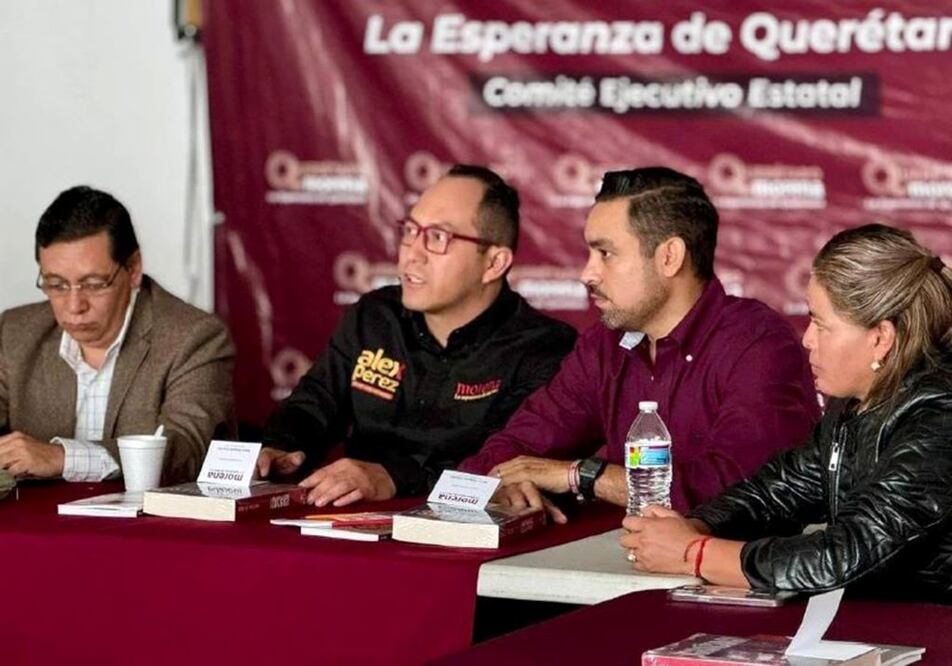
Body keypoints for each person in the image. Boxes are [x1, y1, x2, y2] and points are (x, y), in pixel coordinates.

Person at [459, 167, 819, 522]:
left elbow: (740, 489)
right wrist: (504, 483)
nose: (588, 273)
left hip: (734, 574)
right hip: (617, 562)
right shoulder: (605, 345)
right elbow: (512, 448)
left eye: (606, 253)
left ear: (669, 257)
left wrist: (583, 475)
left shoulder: (759, 345)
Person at [622, 224, 952, 601]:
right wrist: (693, 525)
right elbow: (777, 491)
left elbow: (843, 555)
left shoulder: (941, 417)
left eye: (821, 324)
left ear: (881, 338)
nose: (807, 339)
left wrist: (692, 553)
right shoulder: (855, 405)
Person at [257, 165, 577, 506]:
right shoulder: (375, 316)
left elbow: (505, 469)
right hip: (352, 525)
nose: (412, 253)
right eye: (410, 231)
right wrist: (280, 447)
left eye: (438, 237)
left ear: (494, 263)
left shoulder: (543, 349)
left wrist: (395, 476)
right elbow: (314, 404)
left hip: (463, 537)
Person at [0, 186, 236, 484]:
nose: (74, 307)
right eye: (57, 285)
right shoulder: (16, 332)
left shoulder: (194, 337)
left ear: (133, 269)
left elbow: (187, 452)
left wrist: (63, 458)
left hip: (144, 528)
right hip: (38, 527)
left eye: (95, 284)